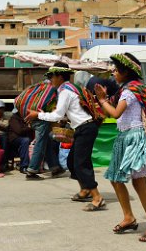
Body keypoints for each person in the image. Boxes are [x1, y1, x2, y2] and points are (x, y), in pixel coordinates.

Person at [94, 53, 146, 242]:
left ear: (126, 72)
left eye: (116, 70)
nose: (114, 73)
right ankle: (129, 217)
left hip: (135, 137)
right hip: (124, 137)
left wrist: (102, 100)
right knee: (116, 179)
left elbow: (116, 113)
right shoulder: (127, 89)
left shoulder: (131, 90)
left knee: (139, 183)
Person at [26, 62, 105, 211]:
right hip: (84, 127)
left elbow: (57, 115)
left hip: (85, 128)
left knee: (81, 163)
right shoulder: (71, 88)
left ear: (60, 76)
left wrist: (38, 114)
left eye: (52, 76)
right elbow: (69, 113)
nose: (50, 80)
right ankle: (85, 190)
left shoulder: (65, 91)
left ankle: (97, 197)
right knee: (71, 161)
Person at [8, 108, 33, 174]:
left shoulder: (25, 118)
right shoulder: (14, 118)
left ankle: (35, 166)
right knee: (25, 141)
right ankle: (24, 166)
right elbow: (19, 131)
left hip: (24, 138)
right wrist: (29, 128)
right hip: (15, 139)